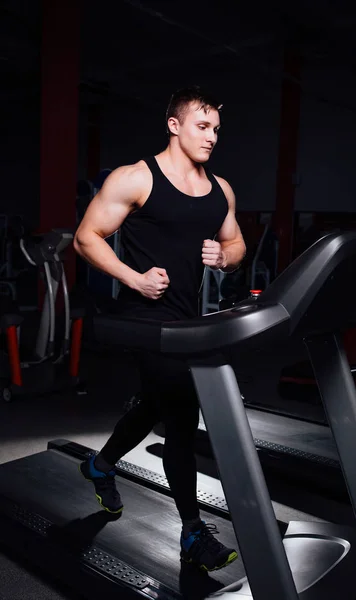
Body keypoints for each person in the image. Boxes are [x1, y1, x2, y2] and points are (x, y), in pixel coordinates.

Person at [74, 85, 246, 572]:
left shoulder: (221, 190)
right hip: (144, 319)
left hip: (188, 321)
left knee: (155, 405)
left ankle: (100, 465)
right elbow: (87, 237)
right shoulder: (136, 178)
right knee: (181, 418)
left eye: (216, 129)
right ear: (174, 125)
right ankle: (192, 533)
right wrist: (134, 277)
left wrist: (225, 258)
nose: (211, 137)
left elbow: (237, 245)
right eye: (202, 126)